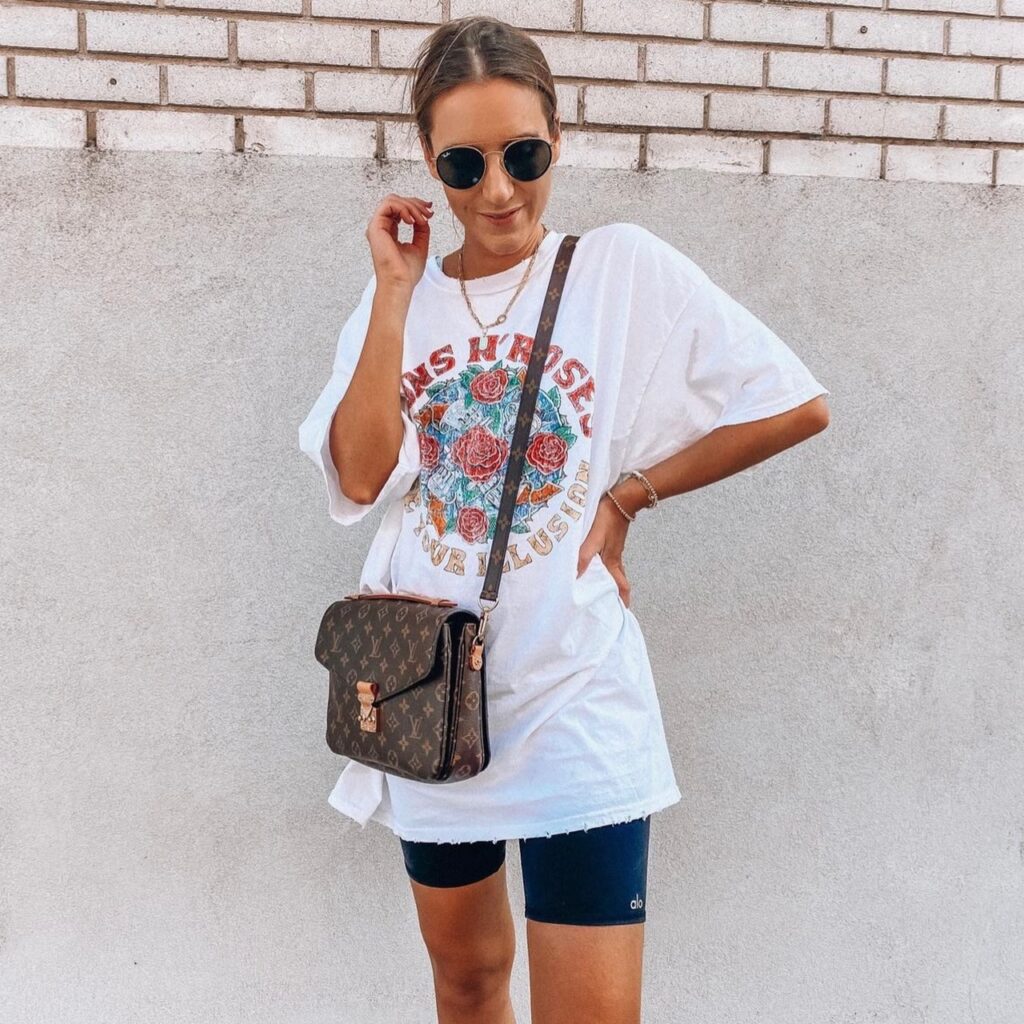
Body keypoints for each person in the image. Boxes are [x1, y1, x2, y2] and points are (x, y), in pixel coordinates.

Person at [298, 15, 831, 1024]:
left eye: (522, 154)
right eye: (463, 163)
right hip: (427, 691)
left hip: (575, 695)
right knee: (466, 984)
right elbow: (364, 475)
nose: (496, 188)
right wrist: (391, 295)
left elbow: (794, 404)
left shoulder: (619, 270)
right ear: (428, 162)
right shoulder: (398, 304)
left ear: (557, 135)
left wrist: (630, 496)